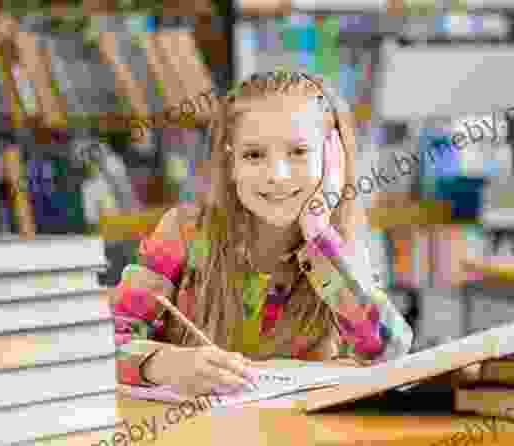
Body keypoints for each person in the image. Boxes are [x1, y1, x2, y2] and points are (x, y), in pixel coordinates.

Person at [113, 70, 413, 397]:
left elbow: (390, 353)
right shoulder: (184, 231)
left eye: (298, 152)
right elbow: (103, 350)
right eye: (254, 155)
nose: (277, 176)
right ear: (231, 164)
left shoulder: (340, 246)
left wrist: (318, 235)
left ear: (332, 157)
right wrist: (166, 364)